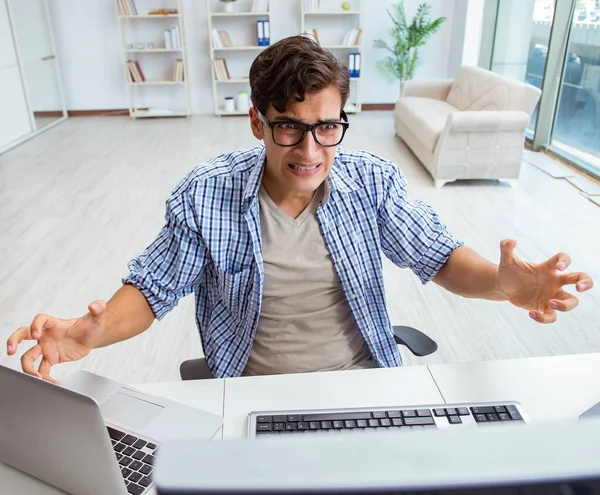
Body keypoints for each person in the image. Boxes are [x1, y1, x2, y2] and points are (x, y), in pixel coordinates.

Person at [6, 36, 594, 383]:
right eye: (289, 128)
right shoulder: (206, 195)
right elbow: (154, 289)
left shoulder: (372, 183)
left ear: (342, 121)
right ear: (258, 121)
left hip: (362, 385)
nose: (310, 151)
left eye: (327, 128)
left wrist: (505, 286)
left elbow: (441, 260)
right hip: (252, 394)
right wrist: (94, 331)